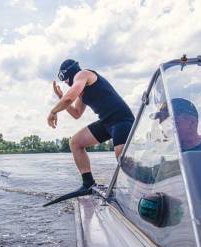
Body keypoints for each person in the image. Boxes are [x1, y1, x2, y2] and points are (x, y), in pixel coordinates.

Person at [47, 59, 135, 194]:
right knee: (75, 142)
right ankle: (88, 184)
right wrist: (61, 97)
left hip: (121, 120)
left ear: (70, 73)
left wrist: (53, 111)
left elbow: (69, 98)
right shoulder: (82, 91)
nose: (65, 82)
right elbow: (76, 114)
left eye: (64, 78)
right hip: (106, 122)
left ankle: (141, 185)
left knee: (121, 157)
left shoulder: (83, 74)